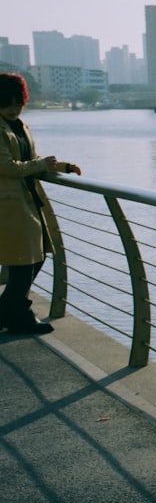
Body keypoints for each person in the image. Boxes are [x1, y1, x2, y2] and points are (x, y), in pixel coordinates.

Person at [0, 72, 82, 334]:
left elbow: (33, 159)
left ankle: (9, 312)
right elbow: (6, 166)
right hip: (8, 203)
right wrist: (39, 164)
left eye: (18, 103)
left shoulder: (20, 125)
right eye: (8, 104)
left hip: (26, 200)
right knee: (25, 261)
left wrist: (63, 167)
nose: (14, 109)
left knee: (34, 258)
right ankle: (18, 315)